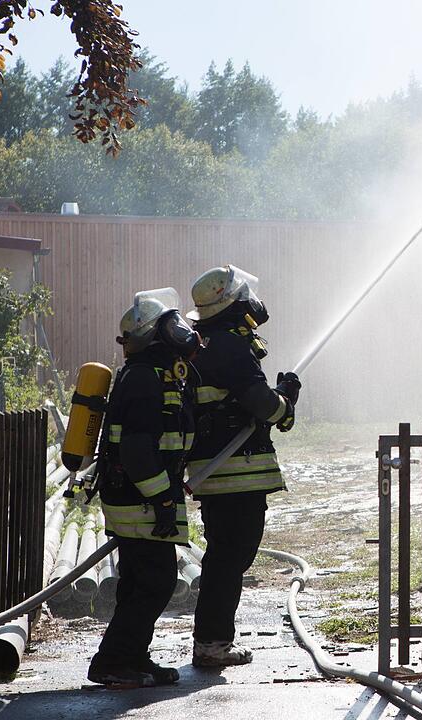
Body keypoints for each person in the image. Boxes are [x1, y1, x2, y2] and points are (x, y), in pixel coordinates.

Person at [185, 265, 299, 667]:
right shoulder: (230, 347)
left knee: (225, 557)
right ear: (233, 304)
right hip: (236, 472)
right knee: (230, 559)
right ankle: (213, 644)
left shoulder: (205, 343)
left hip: (218, 474)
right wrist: (285, 398)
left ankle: (212, 641)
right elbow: (261, 404)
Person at [87, 288, 202, 687]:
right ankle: (112, 662)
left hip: (139, 496)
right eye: (172, 326)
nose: (181, 332)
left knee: (140, 581)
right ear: (156, 334)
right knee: (156, 581)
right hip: (140, 498)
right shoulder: (143, 379)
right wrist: (163, 498)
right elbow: (136, 450)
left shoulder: (154, 374)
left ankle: (132, 657)